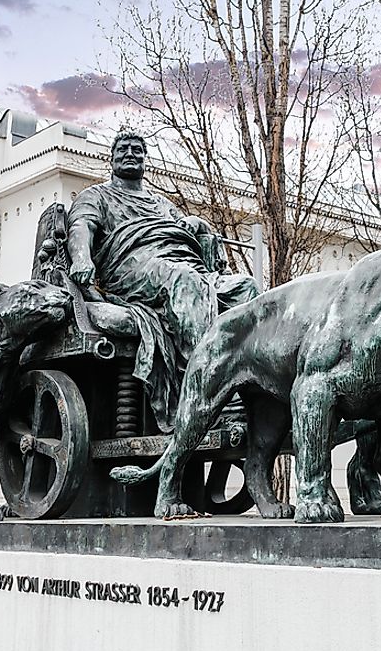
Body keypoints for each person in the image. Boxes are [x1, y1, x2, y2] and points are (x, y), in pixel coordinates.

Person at [66, 128, 259, 432]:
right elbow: (81, 227)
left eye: (137, 150)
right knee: (182, 281)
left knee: (245, 288)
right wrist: (81, 257)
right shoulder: (97, 195)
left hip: (178, 263)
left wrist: (196, 224)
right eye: (124, 149)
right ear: (112, 158)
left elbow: (180, 229)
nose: (130, 154)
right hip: (130, 269)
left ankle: (247, 390)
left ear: (145, 160)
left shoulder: (162, 204)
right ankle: (205, 393)